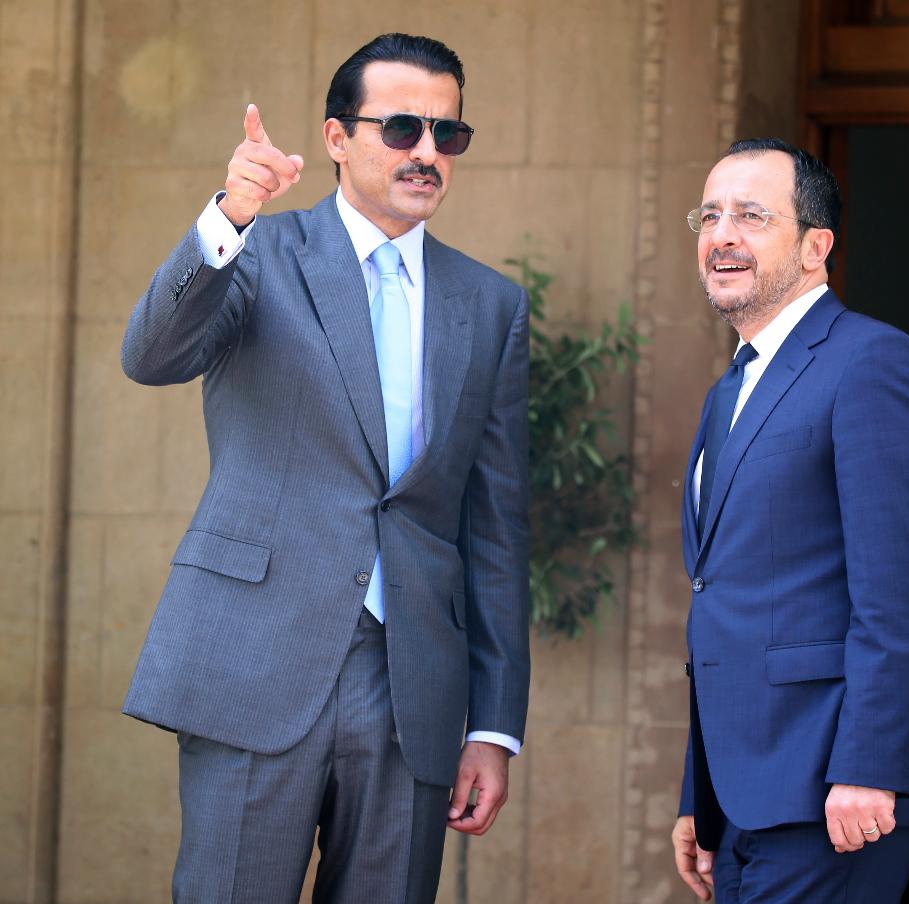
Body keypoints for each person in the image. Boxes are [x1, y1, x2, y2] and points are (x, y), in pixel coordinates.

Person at [120, 33, 529, 904]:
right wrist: (228, 216)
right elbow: (151, 356)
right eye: (403, 128)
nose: (427, 152)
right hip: (255, 661)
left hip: (411, 687)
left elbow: (496, 528)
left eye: (448, 133)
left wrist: (494, 727)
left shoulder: (491, 305)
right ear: (337, 138)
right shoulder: (257, 252)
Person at [670, 139, 909, 903]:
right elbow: (724, 602)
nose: (722, 235)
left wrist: (869, 766)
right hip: (741, 798)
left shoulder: (873, 364)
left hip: (835, 789)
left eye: (752, 216)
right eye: (710, 215)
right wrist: (700, 794)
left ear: (815, 247)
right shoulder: (729, 392)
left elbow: (898, 597)